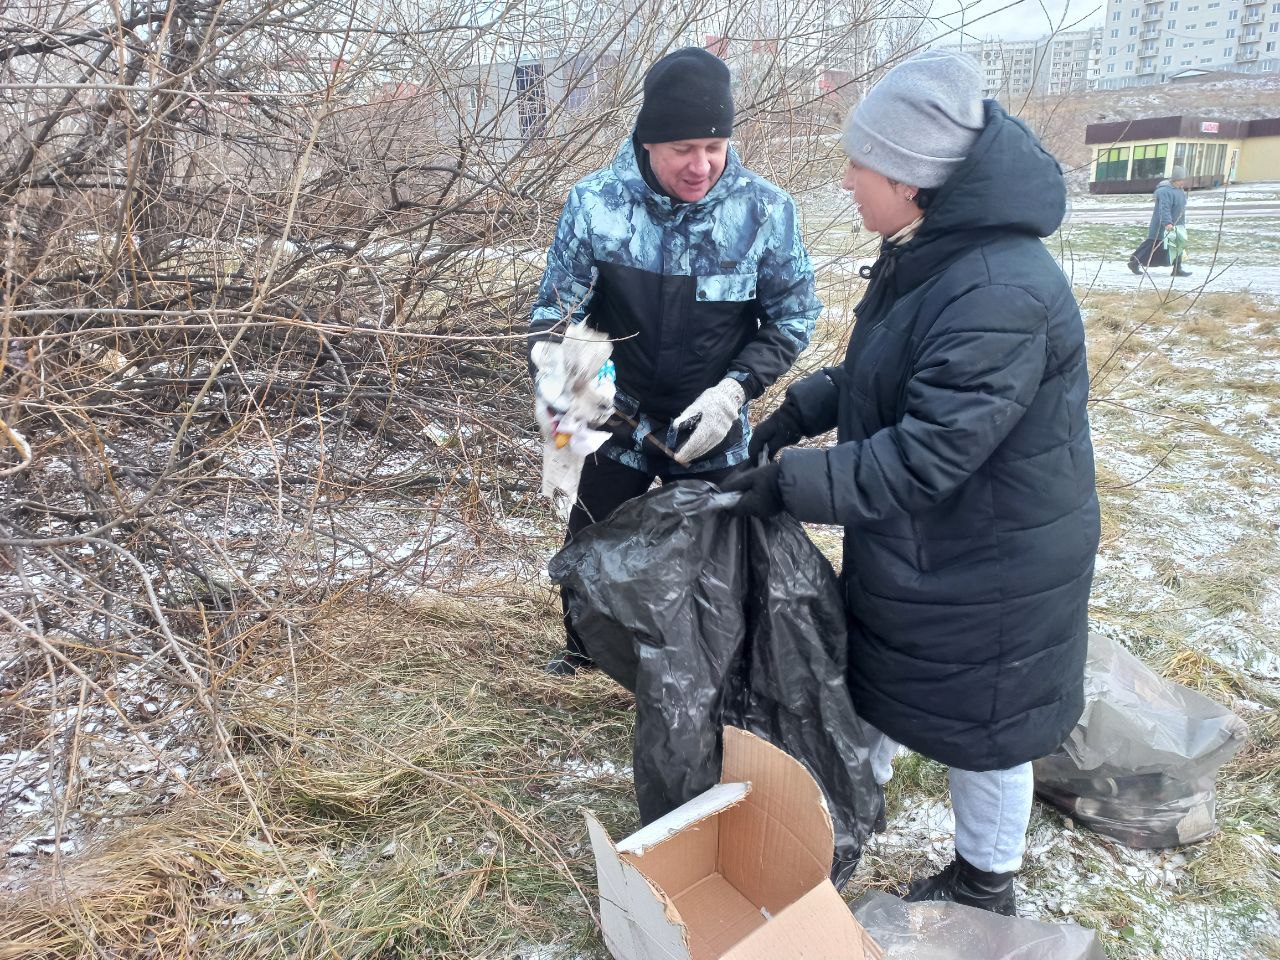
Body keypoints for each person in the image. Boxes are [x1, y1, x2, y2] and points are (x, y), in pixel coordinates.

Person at [724, 51, 1099, 915]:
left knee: (987, 732)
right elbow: (881, 370)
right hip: (935, 546)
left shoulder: (998, 288)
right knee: (881, 688)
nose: (849, 178)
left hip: (996, 562)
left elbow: (928, 454)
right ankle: (839, 830)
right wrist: (798, 414)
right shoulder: (929, 253)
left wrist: (788, 483)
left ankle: (984, 883)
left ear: (915, 181)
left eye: (864, 164)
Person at [529, 47, 822, 676]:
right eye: (683, 148)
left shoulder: (764, 210)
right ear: (648, 141)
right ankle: (588, 653)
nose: (701, 165)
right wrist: (583, 398)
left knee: (724, 557)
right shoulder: (595, 204)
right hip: (618, 417)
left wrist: (736, 390)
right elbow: (555, 316)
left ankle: (716, 661)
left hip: (710, 425)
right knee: (591, 539)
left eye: (714, 147)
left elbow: (794, 316)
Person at [1127, 166, 1191, 277]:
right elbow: (1164, 208)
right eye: (1182, 179)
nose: (1184, 182)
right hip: (1162, 226)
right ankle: (1134, 263)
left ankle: (1177, 269)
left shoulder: (1179, 190)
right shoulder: (1164, 191)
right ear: (1176, 179)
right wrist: (1167, 223)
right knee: (1152, 245)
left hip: (1177, 225)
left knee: (1178, 245)